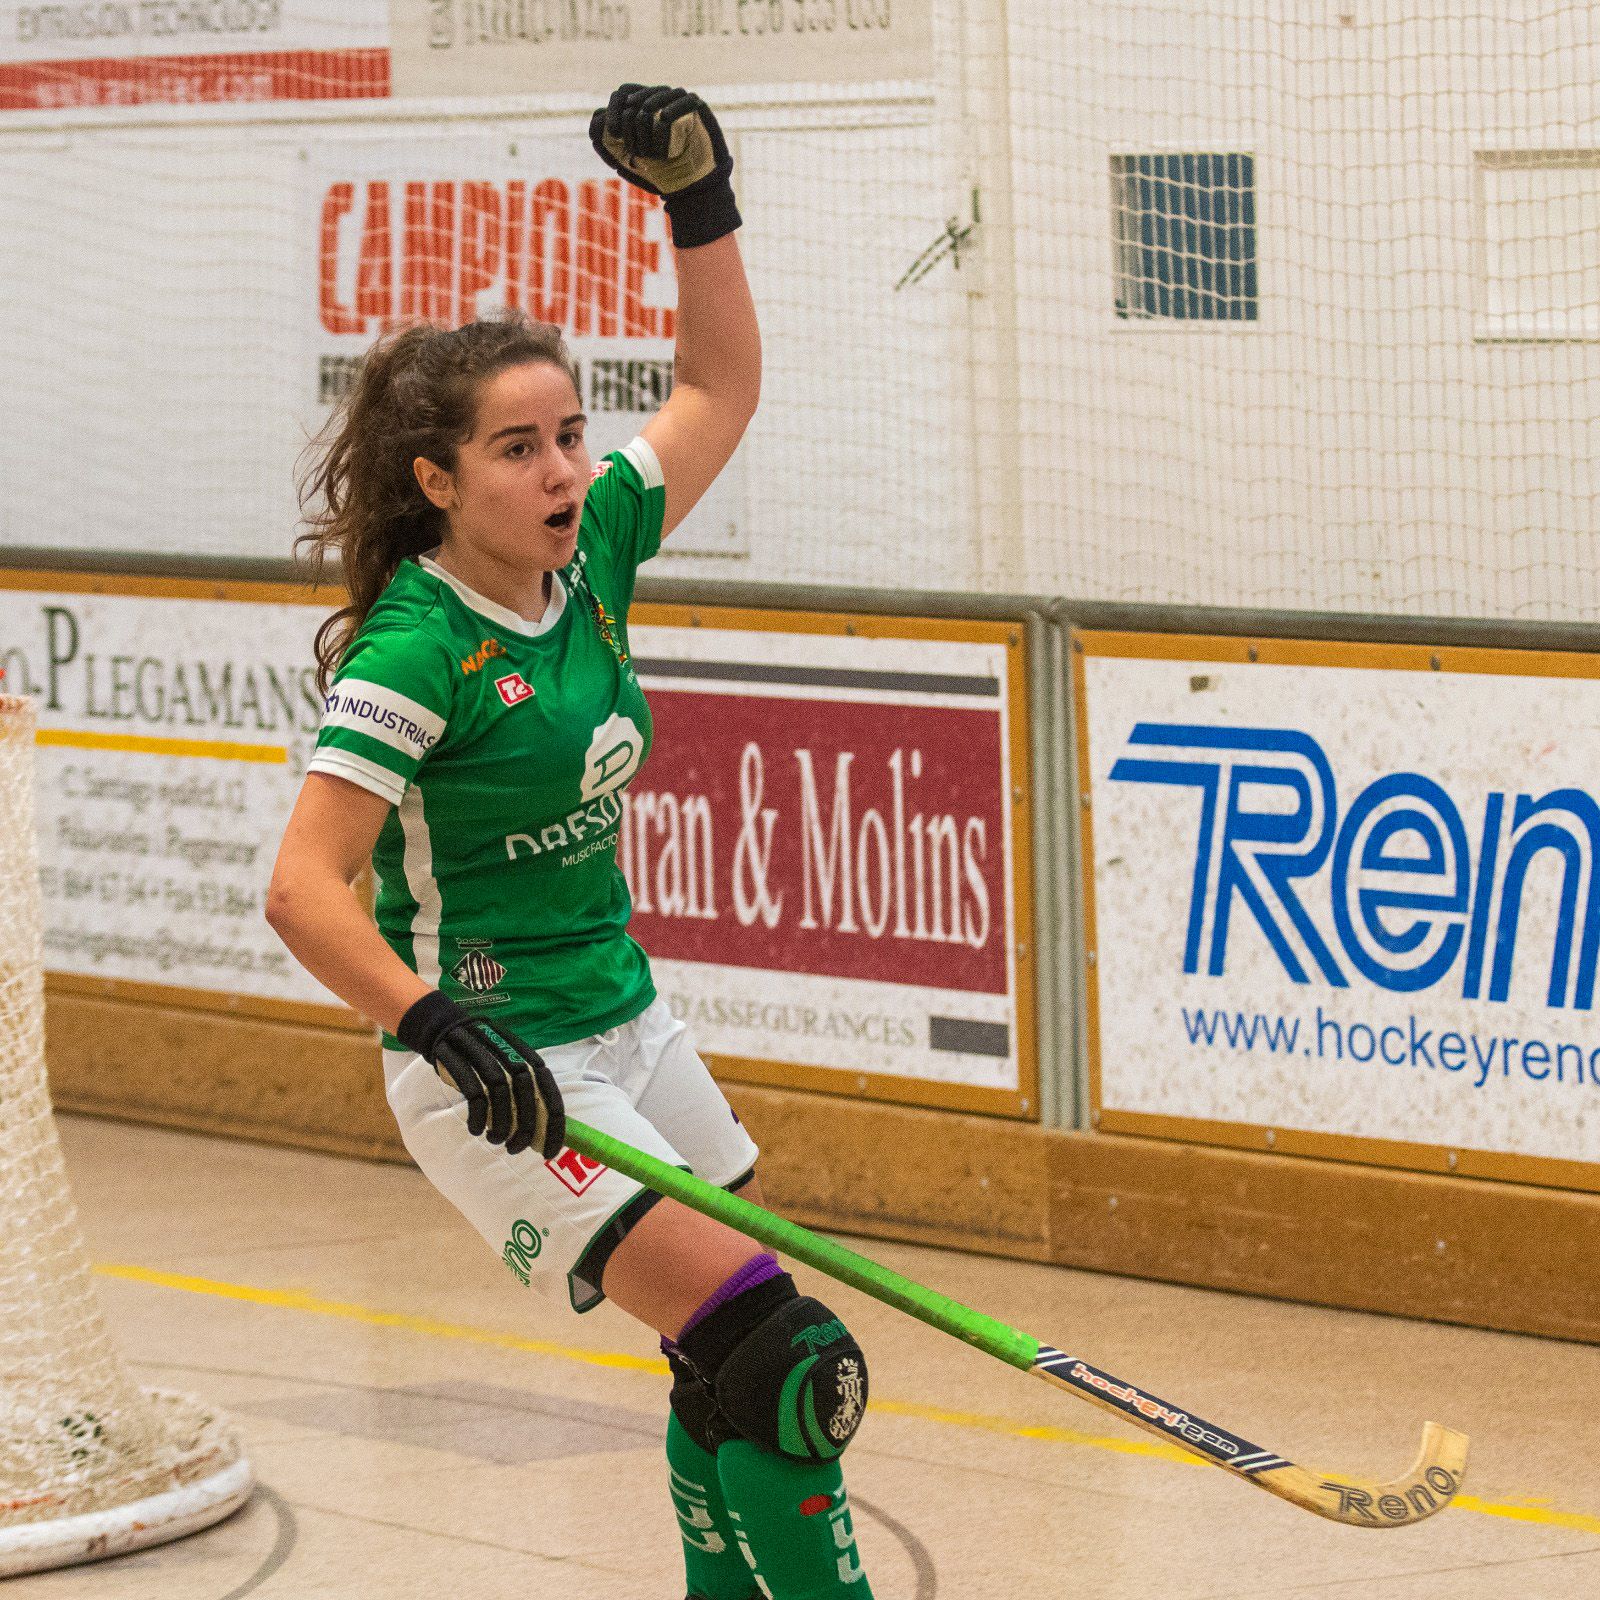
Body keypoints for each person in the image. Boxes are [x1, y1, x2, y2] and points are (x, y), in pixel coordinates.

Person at [266, 86, 874, 1598]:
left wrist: (703, 204)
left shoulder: (589, 543)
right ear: (436, 483)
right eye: (516, 451)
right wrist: (437, 1023)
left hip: (624, 1015)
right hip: (491, 1067)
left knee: (729, 1364)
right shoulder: (416, 652)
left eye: (568, 437)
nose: (559, 472)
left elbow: (720, 392)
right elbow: (299, 886)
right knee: (793, 1360)